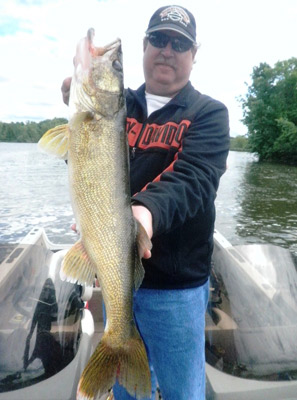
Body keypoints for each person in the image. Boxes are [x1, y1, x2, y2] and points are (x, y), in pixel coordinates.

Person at [62, 5, 229, 400]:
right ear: (145, 46)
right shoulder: (120, 106)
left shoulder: (209, 114)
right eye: (158, 39)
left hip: (177, 291)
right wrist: (74, 112)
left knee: (181, 392)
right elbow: (87, 169)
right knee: (127, 394)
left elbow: (195, 179)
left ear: (193, 54)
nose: (167, 50)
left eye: (179, 43)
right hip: (118, 282)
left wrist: (144, 213)